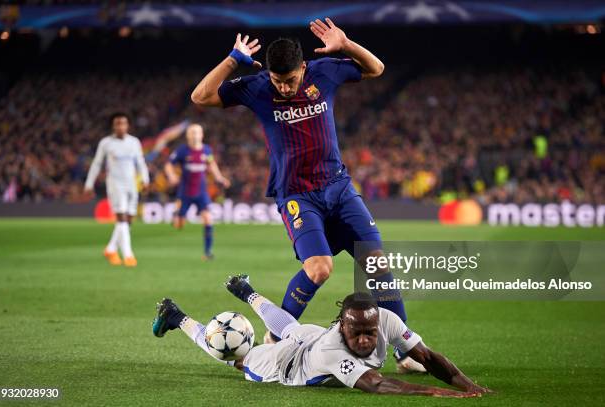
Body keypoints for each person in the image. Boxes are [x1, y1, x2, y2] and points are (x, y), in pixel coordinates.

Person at [190, 18, 419, 371]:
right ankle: (276, 337)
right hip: (298, 195)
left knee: (376, 264)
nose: (283, 88)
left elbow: (376, 68)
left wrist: (346, 44)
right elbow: (201, 96)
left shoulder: (324, 72)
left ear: (302, 67)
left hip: (339, 187)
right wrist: (233, 59)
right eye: (278, 81)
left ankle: (406, 352)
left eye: (290, 79)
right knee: (319, 269)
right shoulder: (258, 87)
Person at [152, 275, 491, 397]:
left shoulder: (384, 318)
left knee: (290, 326)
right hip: (284, 366)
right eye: (355, 333)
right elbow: (374, 383)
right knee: (233, 354)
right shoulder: (334, 349)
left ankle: (246, 291)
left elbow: (428, 357)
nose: (363, 340)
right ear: (343, 326)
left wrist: (467, 384)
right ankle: (176, 316)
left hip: (310, 337)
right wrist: (430, 391)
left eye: (368, 332)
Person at [84, 112, 149, 267]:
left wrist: (146, 179)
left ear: (128, 125)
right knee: (121, 219)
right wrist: (89, 184)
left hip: (131, 184)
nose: (120, 126)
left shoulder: (134, 142)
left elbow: (140, 162)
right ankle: (128, 255)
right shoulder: (106, 143)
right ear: (113, 126)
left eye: (123, 123)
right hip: (115, 184)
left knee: (128, 220)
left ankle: (111, 248)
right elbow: (97, 164)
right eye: (117, 124)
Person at [164, 123, 230, 259]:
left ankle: (207, 252)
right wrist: (171, 176)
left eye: (197, 132)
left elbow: (211, 164)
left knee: (208, 219)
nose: (195, 135)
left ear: (202, 135)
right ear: (188, 135)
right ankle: (177, 214)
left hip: (201, 192)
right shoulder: (182, 150)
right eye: (192, 133)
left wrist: (219, 178)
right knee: (179, 225)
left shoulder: (206, 150)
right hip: (185, 192)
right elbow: (169, 164)